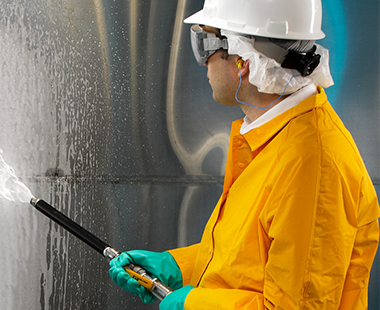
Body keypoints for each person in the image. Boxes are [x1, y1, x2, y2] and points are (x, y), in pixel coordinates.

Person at [109, 0, 380, 309]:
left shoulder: (311, 165)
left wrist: (194, 305)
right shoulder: (276, 137)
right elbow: (254, 257)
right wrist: (178, 266)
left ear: (242, 60)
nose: (203, 63)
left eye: (206, 45)